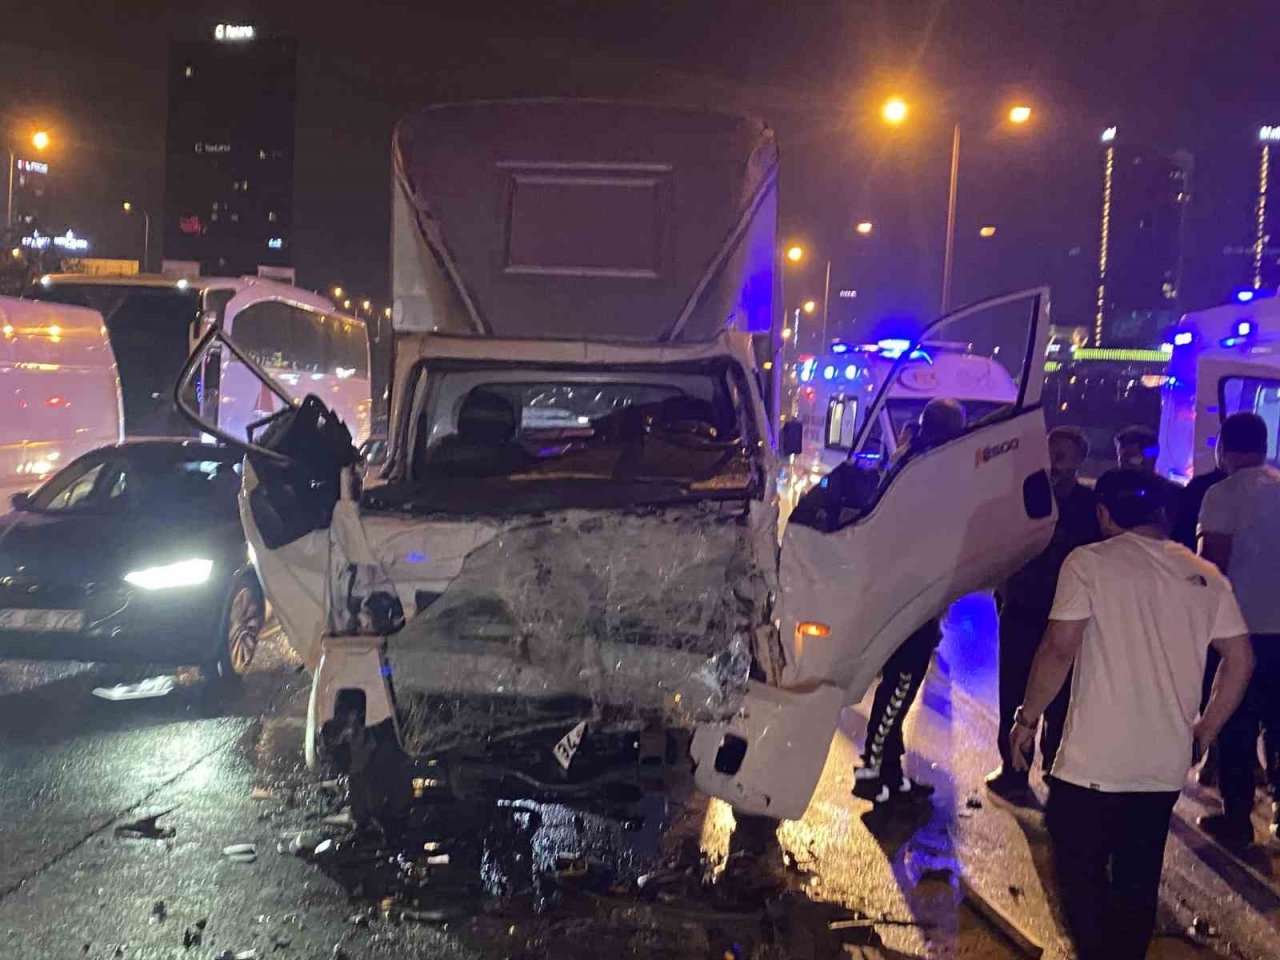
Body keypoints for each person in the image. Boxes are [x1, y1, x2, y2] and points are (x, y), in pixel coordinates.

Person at [1011, 468, 1253, 960]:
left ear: (1104, 514)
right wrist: (1205, 730)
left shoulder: (1089, 563)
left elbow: (1058, 649)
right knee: (1137, 881)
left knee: (1079, 875)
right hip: (1162, 764)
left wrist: (1027, 718)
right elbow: (1241, 660)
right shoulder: (1205, 576)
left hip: (1092, 763)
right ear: (1162, 513)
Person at [853, 398, 967, 807]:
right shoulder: (927, 468)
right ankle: (872, 772)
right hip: (910, 598)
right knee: (899, 688)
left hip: (905, 594)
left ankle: (889, 772)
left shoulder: (910, 460)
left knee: (898, 689)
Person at [985, 426, 1101, 804]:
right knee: (1014, 691)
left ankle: (1056, 768)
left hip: (1068, 615)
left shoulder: (1089, 506)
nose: (1054, 463)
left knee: (1063, 697)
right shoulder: (1025, 496)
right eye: (1050, 453)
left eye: (1062, 455)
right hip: (1022, 609)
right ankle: (1014, 769)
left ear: (1079, 460)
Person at [1197, 412, 1280, 846]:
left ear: (1223, 449)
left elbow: (1211, 567)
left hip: (1240, 634)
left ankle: (1237, 818)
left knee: (1236, 726)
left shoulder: (1222, 494)